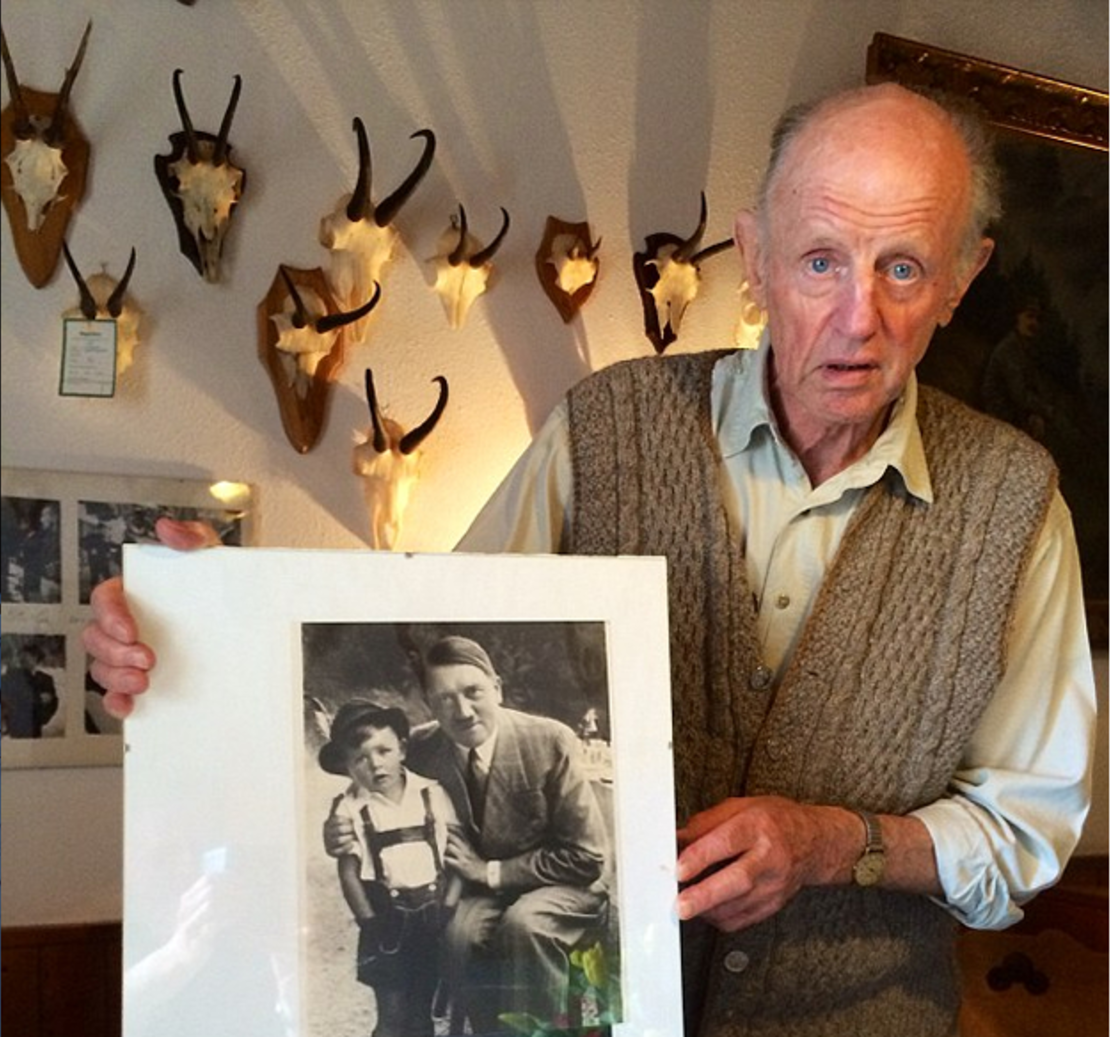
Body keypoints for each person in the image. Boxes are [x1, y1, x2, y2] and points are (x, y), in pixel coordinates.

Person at [83, 82, 1096, 1037]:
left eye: (904, 267)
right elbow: (431, 637)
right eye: (821, 259)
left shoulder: (1016, 501)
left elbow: (1024, 831)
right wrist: (192, 642)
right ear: (756, 255)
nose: (857, 317)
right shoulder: (606, 424)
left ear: (962, 279)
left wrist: (841, 842)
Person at [374, 633, 609, 1032]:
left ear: (497, 688)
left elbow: (587, 857)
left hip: (566, 884)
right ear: (430, 704)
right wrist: (338, 830)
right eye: (444, 699)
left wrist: (489, 872)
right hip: (483, 894)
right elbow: (374, 792)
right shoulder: (422, 747)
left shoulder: (549, 740)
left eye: (473, 692)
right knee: (458, 937)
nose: (462, 711)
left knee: (526, 925)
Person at [318, 699, 461, 1037]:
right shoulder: (350, 807)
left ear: (403, 750)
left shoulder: (432, 793)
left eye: (383, 751)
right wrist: (369, 923)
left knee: (423, 1015)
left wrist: (450, 907)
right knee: (392, 1017)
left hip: (433, 918)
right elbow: (348, 873)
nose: (375, 765)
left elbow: (456, 858)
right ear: (347, 768)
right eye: (360, 759)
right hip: (386, 924)